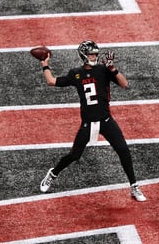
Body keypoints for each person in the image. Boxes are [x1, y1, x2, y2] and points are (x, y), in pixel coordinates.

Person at [38, 40, 146, 202]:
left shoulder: (104, 70)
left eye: (96, 53)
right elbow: (51, 81)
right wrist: (45, 64)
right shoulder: (76, 73)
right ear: (83, 55)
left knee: (123, 150)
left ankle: (134, 186)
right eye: (91, 54)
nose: (94, 56)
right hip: (88, 123)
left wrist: (113, 69)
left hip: (106, 120)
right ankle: (53, 173)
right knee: (74, 155)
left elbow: (125, 84)